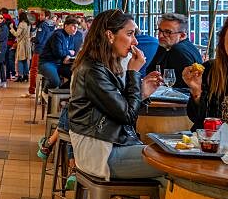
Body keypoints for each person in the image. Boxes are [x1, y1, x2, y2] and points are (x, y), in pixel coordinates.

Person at [68, 9, 164, 180]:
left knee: (170, 163)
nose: (135, 41)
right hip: (100, 152)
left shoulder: (104, 65)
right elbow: (127, 115)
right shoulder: (92, 70)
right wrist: (134, 74)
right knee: (171, 165)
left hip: (111, 144)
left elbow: (119, 108)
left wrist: (141, 93)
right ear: (110, 35)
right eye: (129, 34)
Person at [145, 13, 202, 89]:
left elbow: (183, 87)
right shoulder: (165, 45)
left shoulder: (178, 51)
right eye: (160, 30)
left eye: (168, 32)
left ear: (182, 35)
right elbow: (150, 72)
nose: (160, 35)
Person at [38, 16, 80, 89]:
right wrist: (69, 53)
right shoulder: (58, 34)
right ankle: (46, 93)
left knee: (78, 77)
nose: (75, 29)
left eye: (76, 27)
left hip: (61, 63)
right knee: (55, 82)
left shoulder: (71, 37)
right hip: (47, 62)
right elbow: (58, 53)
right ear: (66, 25)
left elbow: (71, 52)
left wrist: (68, 56)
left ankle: (59, 91)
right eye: (73, 26)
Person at [29, 10, 55, 95]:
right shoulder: (53, 25)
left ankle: (32, 90)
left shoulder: (43, 25)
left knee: (34, 70)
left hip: (39, 50)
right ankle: (43, 92)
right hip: (48, 51)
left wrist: (32, 39)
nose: (40, 17)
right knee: (44, 72)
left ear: (47, 17)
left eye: (42, 15)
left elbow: (38, 39)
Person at [11, 11, 32, 82]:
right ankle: (26, 75)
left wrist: (11, 29)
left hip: (22, 44)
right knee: (25, 60)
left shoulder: (21, 24)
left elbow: (17, 34)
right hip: (27, 44)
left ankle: (20, 76)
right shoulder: (28, 24)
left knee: (20, 60)